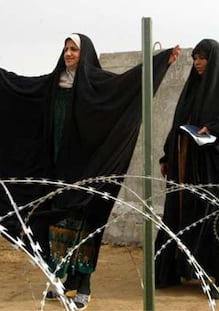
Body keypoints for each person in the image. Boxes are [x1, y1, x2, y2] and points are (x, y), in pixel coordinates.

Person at [0, 33, 180, 309]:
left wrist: (160, 62)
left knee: (83, 225)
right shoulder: (53, 84)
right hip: (56, 169)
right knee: (56, 225)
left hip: (88, 168)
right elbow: (18, 87)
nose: (69, 54)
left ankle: (83, 285)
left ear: (86, 53)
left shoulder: (97, 84)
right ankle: (63, 279)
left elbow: (128, 85)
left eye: (74, 49)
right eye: (66, 48)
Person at [154, 38, 219, 299]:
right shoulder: (192, 89)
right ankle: (173, 270)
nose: (197, 63)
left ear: (214, 60)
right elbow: (179, 124)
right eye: (195, 58)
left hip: (212, 170)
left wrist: (216, 129)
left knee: (215, 220)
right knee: (180, 215)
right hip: (185, 168)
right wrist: (167, 156)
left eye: (203, 58)